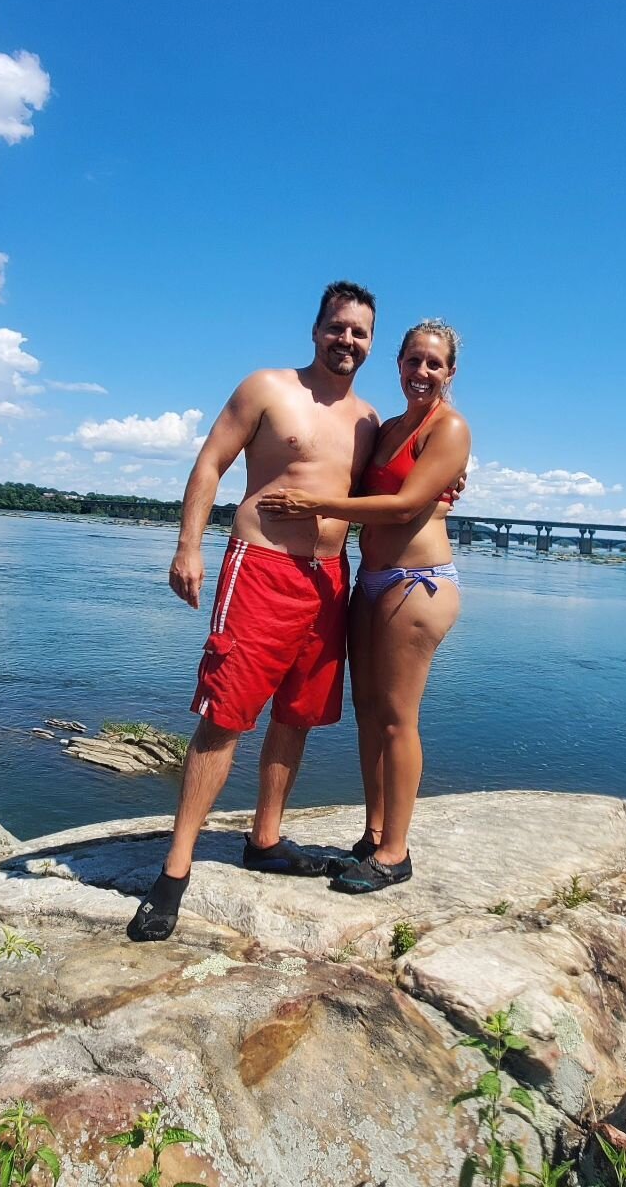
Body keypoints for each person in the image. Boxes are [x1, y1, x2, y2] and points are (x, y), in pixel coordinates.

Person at [126, 281, 381, 943]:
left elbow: (397, 493)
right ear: (316, 329)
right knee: (225, 717)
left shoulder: (369, 421)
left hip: (328, 581)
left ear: (370, 342)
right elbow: (211, 462)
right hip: (260, 568)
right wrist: (188, 546)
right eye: (337, 328)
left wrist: (448, 484)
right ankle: (174, 873)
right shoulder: (267, 388)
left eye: (359, 332)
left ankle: (264, 838)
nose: (346, 341)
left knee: (297, 715)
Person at [258, 318, 470, 892]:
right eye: (412, 361)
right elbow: (358, 484)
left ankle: (396, 854)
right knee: (370, 714)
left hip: (416, 583)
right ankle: (375, 832)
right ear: (397, 363)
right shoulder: (389, 426)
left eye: (434, 364)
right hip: (373, 581)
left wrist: (310, 503)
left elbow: (403, 506)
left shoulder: (449, 428)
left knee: (399, 718)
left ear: (451, 372)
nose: (421, 372)